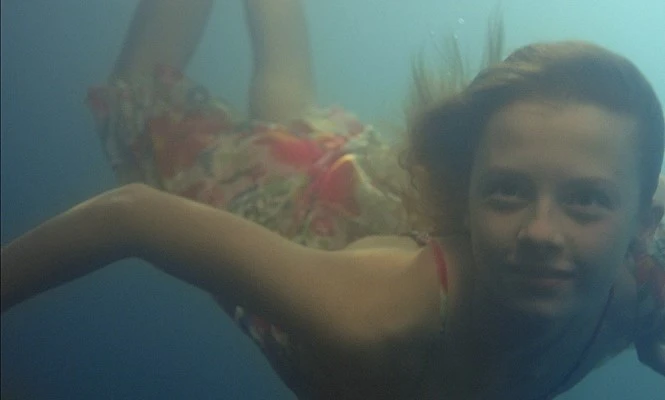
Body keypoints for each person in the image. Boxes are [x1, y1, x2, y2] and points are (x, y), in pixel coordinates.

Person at [2, 0, 664, 399]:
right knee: (143, 100)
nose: (542, 232)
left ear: (642, 219)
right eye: (507, 190)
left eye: (586, 201)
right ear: (466, 192)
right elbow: (131, 215)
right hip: (291, 215)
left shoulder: (647, 283)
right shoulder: (374, 316)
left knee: (291, 112)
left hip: (364, 193)